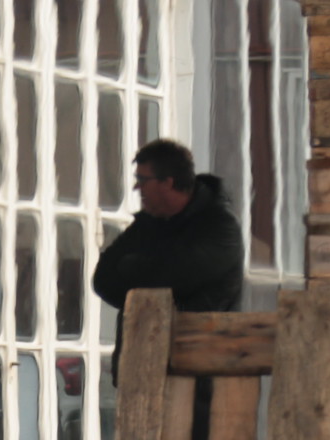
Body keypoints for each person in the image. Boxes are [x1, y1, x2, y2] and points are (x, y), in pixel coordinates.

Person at [92, 139, 245, 327]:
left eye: (142, 180)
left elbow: (171, 280)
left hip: (200, 347)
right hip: (141, 345)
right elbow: (102, 280)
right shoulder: (147, 223)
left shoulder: (220, 226)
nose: (136, 188)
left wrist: (129, 265)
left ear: (167, 183)